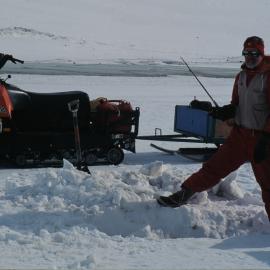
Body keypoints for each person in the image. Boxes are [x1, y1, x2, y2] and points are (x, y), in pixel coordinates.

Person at [157, 36, 270, 221]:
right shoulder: (241, 76)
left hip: (263, 139)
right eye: (246, 53)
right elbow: (236, 105)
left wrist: (265, 139)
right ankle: (183, 194)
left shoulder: (268, 76)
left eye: (254, 53)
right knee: (213, 168)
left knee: (268, 184)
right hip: (240, 136)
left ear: (261, 53)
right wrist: (217, 111)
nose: (249, 57)